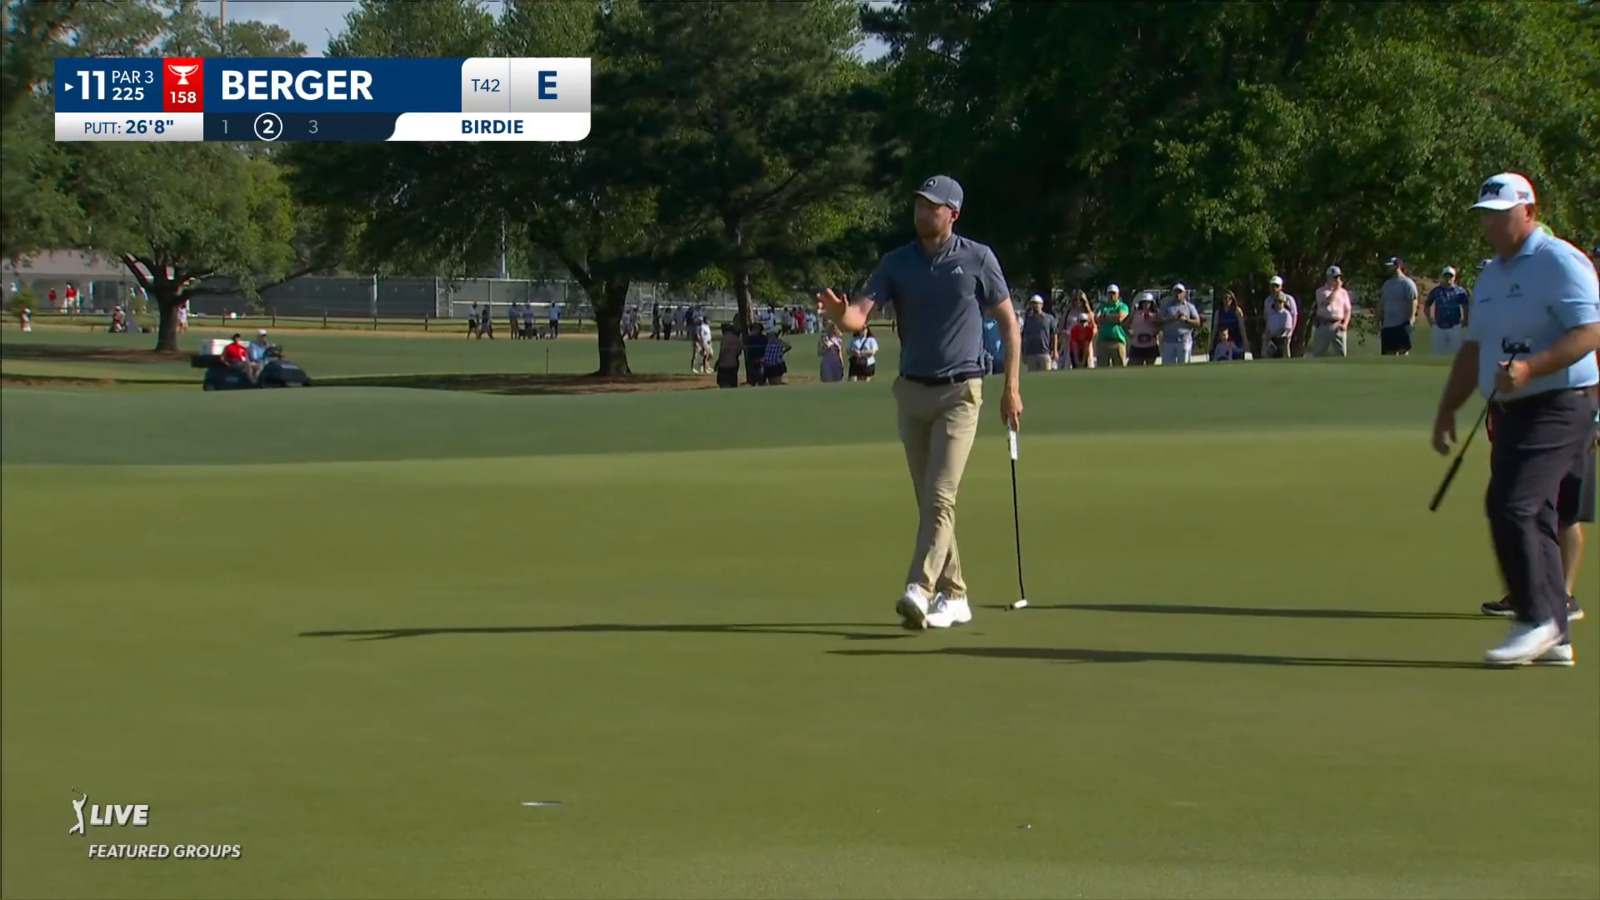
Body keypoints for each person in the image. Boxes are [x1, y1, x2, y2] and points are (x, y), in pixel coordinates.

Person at [816, 174, 1023, 630]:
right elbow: (859, 314)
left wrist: (1011, 387)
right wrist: (841, 317)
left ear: (953, 214)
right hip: (911, 391)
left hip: (961, 391)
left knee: (940, 494)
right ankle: (956, 594)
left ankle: (920, 587)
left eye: (932, 206)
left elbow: (1010, 324)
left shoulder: (977, 258)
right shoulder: (897, 263)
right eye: (919, 204)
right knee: (930, 501)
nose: (922, 212)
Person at [1431, 172, 1600, 666]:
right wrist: (1448, 406)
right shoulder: (1492, 275)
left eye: (1500, 215)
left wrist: (1529, 368)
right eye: (1485, 216)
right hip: (1512, 408)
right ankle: (1557, 634)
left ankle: (1537, 619)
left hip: (1560, 401)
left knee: (1513, 504)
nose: (1491, 225)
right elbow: (1475, 348)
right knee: (1535, 511)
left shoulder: (1559, 261)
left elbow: (1589, 333)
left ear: (1528, 210)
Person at [1480, 387, 1595, 624]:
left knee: (1565, 515)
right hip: (1523, 424)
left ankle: (1564, 595)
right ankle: (1526, 596)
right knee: (1526, 512)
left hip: (1573, 422)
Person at [1425, 266, 1470, 357]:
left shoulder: (1460, 291)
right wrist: (1429, 319)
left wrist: (1465, 319)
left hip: (1455, 326)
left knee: (1456, 354)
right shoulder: (1436, 291)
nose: (1448, 278)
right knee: (1438, 354)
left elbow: (1465, 306)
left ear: (1454, 277)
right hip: (1439, 326)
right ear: (1442, 276)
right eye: (1446, 276)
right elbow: (1427, 305)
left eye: (1450, 276)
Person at [1379, 256, 1419, 356]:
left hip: (1401, 325)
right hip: (1388, 325)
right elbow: (1382, 303)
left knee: (1402, 352)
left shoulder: (1407, 283)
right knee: (1388, 354)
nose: (1388, 269)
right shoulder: (1387, 284)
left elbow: (1413, 302)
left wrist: (1411, 319)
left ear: (1397, 266)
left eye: (1390, 266)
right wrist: (1379, 319)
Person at [1309, 266, 1351, 357]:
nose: (1337, 280)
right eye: (1335, 277)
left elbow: (1347, 310)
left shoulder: (1343, 293)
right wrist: (1336, 289)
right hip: (1324, 325)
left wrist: (1345, 324)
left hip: (1337, 325)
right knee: (1318, 354)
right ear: (1328, 278)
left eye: (1339, 277)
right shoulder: (1320, 291)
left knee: (1341, 354)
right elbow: (1327, 302)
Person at [1160, 283, 1200, 366]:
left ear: (1184, 293)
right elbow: (1159, 321)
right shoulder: (1166, 306)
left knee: (1184, 366)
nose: (1178, 294)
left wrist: (1187, 320)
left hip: (1184, 341)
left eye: (1180, 292)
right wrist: (1172, 318)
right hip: (1168, 341)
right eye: (1176, 292)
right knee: (1167, 367)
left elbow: (1197, 322)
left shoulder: (1189, 306)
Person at [1094, 284, 1130, 368]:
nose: (1111, 295)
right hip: (1103, 342)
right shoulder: (1102, 306)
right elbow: (1097, 319)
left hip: (1118, 342)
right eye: (1109, 293)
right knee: (1102, 368)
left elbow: (1120, 318)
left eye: (1114, 293)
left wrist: (1105, 317)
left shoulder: (1122, 306)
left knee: (1120, 368)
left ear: (1118, 294)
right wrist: (1113, 317)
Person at [1262, 277, 1297, 359]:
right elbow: (1267, 317)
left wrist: (1290, 332)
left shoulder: (1289, 299)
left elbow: (1294, 316)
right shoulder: (1268, 300)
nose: (1274, 288)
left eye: (1276, 286)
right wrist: (1268, 333)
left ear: (1281, 287)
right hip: (1272, 332)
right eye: (1272, 286)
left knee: (1285, 345)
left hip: (1284, 333)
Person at [1020, 294, 1057, 372]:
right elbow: (1024, 336)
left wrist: (1055, 350)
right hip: (1031, 354)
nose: (1034, 305)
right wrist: (1023, 352)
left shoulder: (1049, 318)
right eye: (1033, 303)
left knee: (1046, 376)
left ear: (1041, 305)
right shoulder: (1028, 320)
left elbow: (1054, 334)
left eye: (1037, 303)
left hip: (1045, 352)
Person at [1063, 289, 1095, 369]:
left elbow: (1094, 326)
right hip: (1071, 340)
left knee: (1087, 363)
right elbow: (1061, 326)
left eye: (1080, 300)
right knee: (1070, 363)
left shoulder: (1088, 312)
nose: (1078, 302)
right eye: (1075, 299)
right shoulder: (1068, 312)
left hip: (1085, 340)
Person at [1211, 291, 1246, 361]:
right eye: (1225, 298)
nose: (1227, 300)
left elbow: (1242, 328)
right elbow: (1215, 328)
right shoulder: (1218, 312)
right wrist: (1211, 342)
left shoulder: (1237, 311)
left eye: (1230, 298)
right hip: (1223, 340)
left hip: (1236, 340)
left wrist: (1245, 341)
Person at [1127, 293, 1160, 365]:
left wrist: (1156, 329)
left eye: (1148, 302)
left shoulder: (1156, 314)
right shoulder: (1135, 313)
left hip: (1151, 345)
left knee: (1150, 368)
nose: (1146, 304)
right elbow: (1126, 324)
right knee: (1135, 367)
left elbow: (1160, 326)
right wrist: (1128, 331)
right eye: (1144, 302)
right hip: (1136, 345)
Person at [714, 323, 742, 388]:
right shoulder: (736, 338)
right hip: (734, 364)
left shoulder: (724, 338)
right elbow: (739, 351)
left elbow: (722, 352)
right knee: (733, 384)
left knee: (723, 384)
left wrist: (718, 362)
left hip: (724, 365)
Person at [743, 321, 767, 386]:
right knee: (752, 378)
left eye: (757, 328)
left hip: (761, 360)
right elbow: (744, 346)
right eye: (754, 328)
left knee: (761, 378)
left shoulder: (764, 338)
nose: (755, 330)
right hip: (751, 360)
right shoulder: (749, 338)